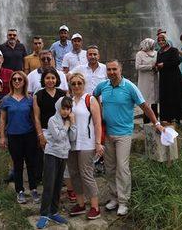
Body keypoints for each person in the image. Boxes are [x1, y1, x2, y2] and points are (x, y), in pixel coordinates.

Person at [93, 60, 164, 216]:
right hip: (107, 134)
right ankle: (114, 198)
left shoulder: (130, 87)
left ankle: (124, 201)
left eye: (114, 69)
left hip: (124, 134)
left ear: (121, 69)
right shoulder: (103, 86)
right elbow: (93, 97)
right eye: (109, 69)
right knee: (110, 168)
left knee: (122, 168)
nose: (111, 72)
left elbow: (145, 106)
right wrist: (98, 111)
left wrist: (156, 123)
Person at [0, 71, 40, 204]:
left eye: (19, 79)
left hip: (29, 134)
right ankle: (20, 191)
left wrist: (39, 134)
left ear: (24, 82)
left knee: (31, 163)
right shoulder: (6, 99)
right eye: (14, 79)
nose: (17, 81)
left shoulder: (30, 98)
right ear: (11, 82)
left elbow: (34, 118)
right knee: (17, 164)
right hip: (13, 135)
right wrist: (2, 137)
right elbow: (3, 119)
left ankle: (33, 189)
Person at [66, 72, 103, 220]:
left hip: (87, 142)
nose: (76, 86)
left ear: (84, 84)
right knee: (74, 174)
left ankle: (95, 207)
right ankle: (81, 204)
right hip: (71, 143)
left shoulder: (90, 99)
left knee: (86, 174)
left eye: (79, 83)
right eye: (73, 83)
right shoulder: (68, 100)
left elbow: (97, 122)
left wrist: (98, 142)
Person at [36, 97, 76, 229]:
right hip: (52, 154)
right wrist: (67, 126)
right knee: (49, 184)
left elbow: (72, 138)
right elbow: (58, 137)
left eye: (68, 109)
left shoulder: (68, 121)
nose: (65, 111)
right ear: (58, 108)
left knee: (58, 184)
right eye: (63, 108)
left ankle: (53, 211)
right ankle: (44, 214)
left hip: (63, 155)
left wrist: (73, 124)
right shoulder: (52, 120)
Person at [33, 67, 67, 192]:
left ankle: (61, 182)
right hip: (46, 131)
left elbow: (68, 113)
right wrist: (40, 135)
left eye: (53, 78)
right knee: (49, 160)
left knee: (62, 158)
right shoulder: (38, 95)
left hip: (61, 131)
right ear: (43, 79)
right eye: (47, 78)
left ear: (57, 79)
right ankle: (48, 186)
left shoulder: (62, 94)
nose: (50, 80)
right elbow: (36, 117)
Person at [155, 33, 182, 124]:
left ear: (166, 40)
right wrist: (156, 66)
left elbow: (177, 61)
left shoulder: (173, 50)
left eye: (163, 40)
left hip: (174, 78)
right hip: (164, 78)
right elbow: (158, 63)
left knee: (175, 96)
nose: (161, 42)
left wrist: (164, 64)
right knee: (165, 97)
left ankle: (177, 118)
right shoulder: (159, 53)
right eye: (159, 40)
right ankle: (166, 119)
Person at [135, 38, 159, 124]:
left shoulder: (156, 53)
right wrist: (150, 66)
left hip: (155, 78)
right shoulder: (140, 54)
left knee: (155, 101)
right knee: (146, 102)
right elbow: (137, 66)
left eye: (153, 44)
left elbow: (158, 63)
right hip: (145, 81)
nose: (153, 46)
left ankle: (155, 122)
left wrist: (156, 68)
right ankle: (146, 122)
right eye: (151, 44)